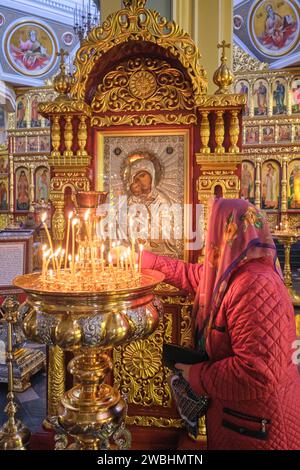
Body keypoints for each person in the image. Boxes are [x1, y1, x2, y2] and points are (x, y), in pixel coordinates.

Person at [141, 197, 300, 450]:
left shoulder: (255, 285)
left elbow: (257, 372)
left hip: (259, 428)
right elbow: (193, 275)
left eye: (212, 230)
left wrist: (197, 375)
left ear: (230, 233)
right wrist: (145, 260)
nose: (208, 238)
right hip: (240, 421)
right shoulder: (232, 273)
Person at [127, 155, 177, 256]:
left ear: (152, 176)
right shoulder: (132, 201)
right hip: (139, 250)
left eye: (143, 175)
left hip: (159, 250)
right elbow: (129, 227)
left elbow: (168, 230)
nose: (140, 181)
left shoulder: (161, 200)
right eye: (136, 178)